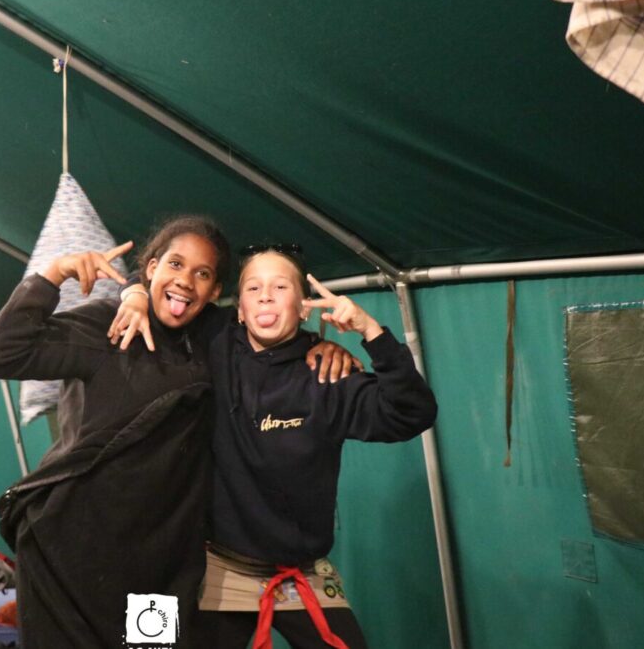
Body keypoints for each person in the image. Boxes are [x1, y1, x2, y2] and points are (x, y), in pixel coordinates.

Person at [0, 217, 355, 648]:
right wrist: (54, 274)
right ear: (151, 267)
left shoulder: (216, 339)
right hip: (68, 550)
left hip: (159, 565)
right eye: (175, 264)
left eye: (202, 273)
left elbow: (271, 331)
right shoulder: (106, 325)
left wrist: (319, 347)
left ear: (214, 291)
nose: (185, 281)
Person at [111, 243, 438, 649]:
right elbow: (166, 284)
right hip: (212, 564)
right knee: (147, 641)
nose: (265, 296)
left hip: (299, 572)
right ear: (239, 310)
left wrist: (371, 332)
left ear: (304, 308)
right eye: (253, 288)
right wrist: (134, 294)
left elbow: (413, 413)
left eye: (280, 287)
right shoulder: (214, 341)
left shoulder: (327, 375)